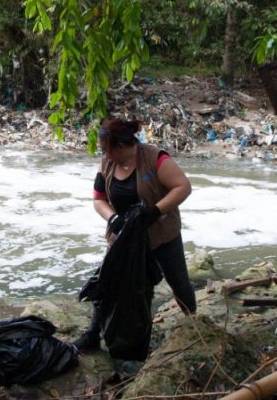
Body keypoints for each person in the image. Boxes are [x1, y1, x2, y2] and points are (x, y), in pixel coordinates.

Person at [73, 117, 195, 352]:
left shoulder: (155, 158)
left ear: (120, 146)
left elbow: (183, 187)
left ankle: (193, 322)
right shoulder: (107, 164)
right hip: (124, 239)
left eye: (106, 150)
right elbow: (98, 199)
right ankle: (93, 334)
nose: (103, 155)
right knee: (108, 282)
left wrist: (154, 212)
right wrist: (113, 219)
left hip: (161, 235)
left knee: (178, 281)